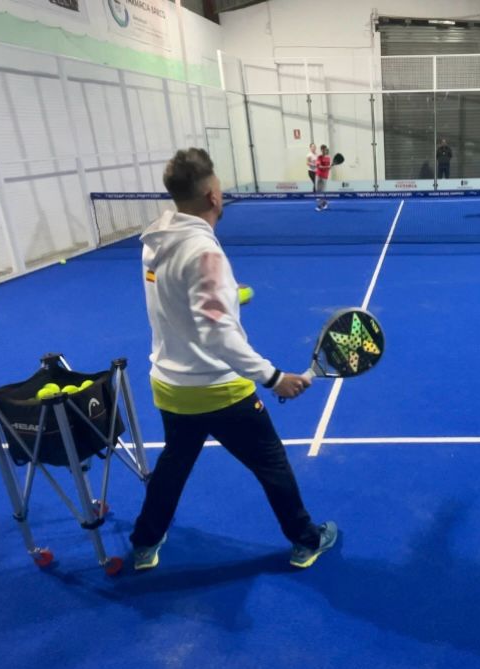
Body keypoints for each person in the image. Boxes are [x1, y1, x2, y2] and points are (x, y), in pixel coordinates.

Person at [130, 148, 337, 571]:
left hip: (170, 386)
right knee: (272, 464)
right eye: (219, 187)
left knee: (174, 465)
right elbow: (216, 333)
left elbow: (173, 300)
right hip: (218, 390)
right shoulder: (205, 253)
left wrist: (226, 295)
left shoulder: (154, 242)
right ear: (212, 196)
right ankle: (306, 540)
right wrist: (274, 377)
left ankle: (144, 542)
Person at [315, 144, 332, 212]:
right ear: (321, 150)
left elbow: (328, 168)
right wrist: (327, 167)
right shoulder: (319, 157)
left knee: (322, 191)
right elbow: (319, 166)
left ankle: (320, 206)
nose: (323, 150)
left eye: (324, 149)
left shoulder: (328, 158)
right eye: (322, 149)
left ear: (325, 149)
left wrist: (328, 168)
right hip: (318, 175)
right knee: (318, 191)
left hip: (325, 176)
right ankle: (325, 203)